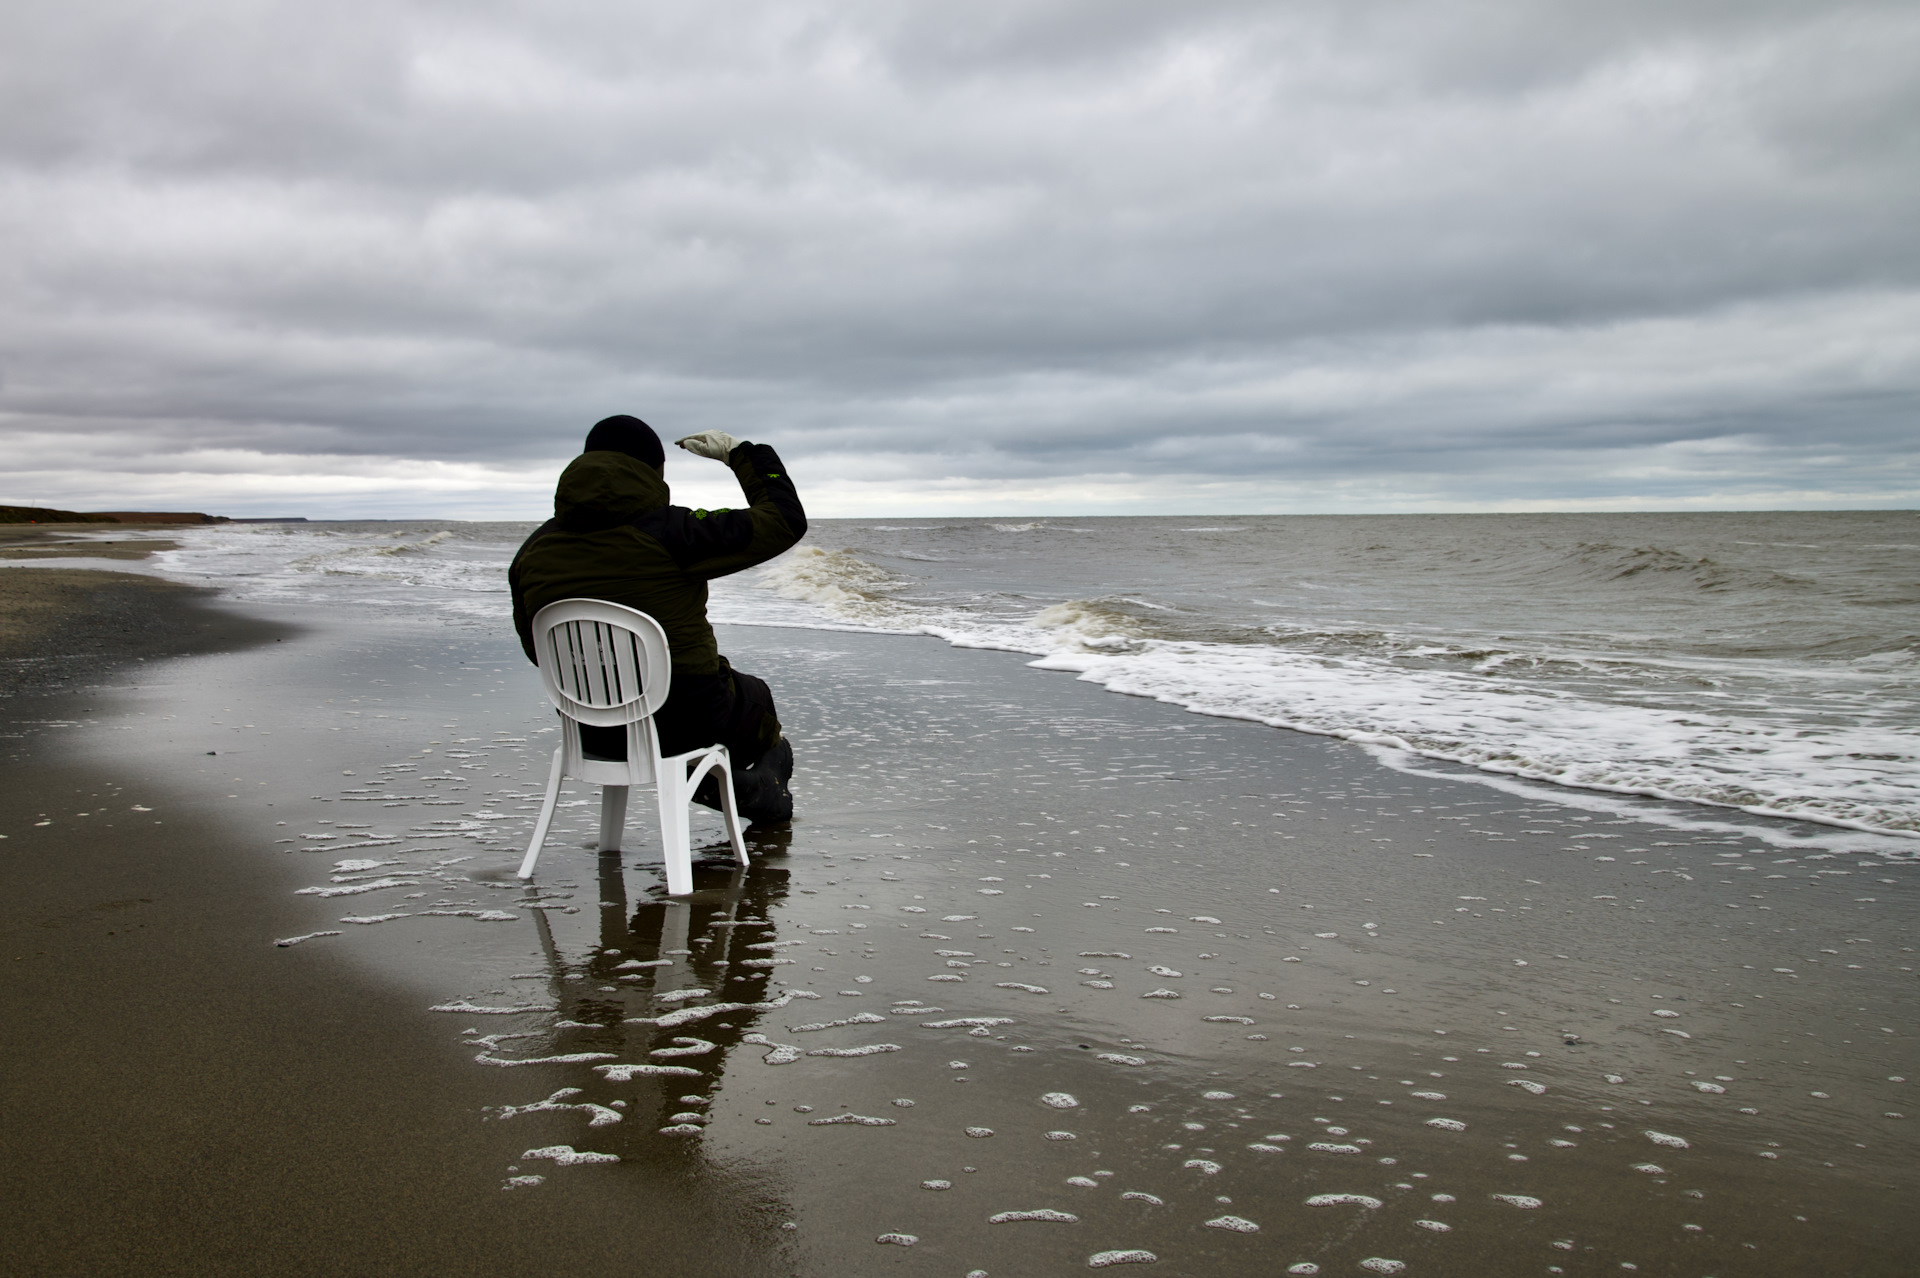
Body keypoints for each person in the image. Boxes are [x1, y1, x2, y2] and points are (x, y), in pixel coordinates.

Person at [509, 414, 806, 825]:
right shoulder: (674, 532)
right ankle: (751, 789)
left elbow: (536, 648)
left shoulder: (534, 550)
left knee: (698, 705)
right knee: (756, 696)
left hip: (591, 730)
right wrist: (742, 454)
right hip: (689, 722)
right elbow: (784, 520)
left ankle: (718, 783)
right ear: (654, 472)